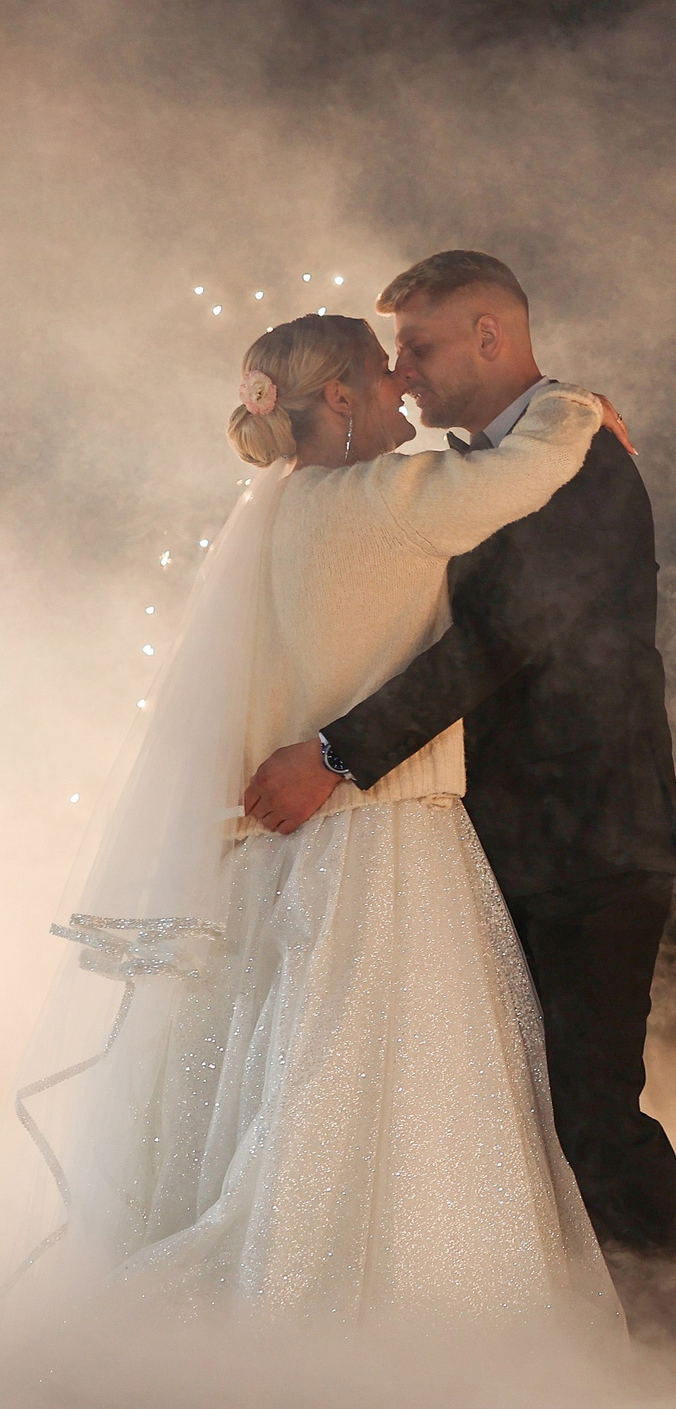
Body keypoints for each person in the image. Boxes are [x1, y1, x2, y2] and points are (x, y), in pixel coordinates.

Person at [4, 313, 620, 1331]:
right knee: (371, 1079)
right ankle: (371, 1311)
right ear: (338, 397)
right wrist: (578, 404)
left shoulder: (277, 509)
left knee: (262, 1071)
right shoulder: (387, 500)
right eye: (384, 374)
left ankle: (257, 1292)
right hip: (380, 836)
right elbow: (533, 467)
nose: (403, 391)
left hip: (266, 850)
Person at [239, 253, 676, 1363]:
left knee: (596, 1116)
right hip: (481, 837)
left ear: (493, 336)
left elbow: (503, 643)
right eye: (393, 353)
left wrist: (336, 756)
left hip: (590, 839)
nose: (402, 372)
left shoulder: (582, 464)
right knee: (497, 1118)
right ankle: (532, 1354)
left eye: (421, 347)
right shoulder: (487, 464)